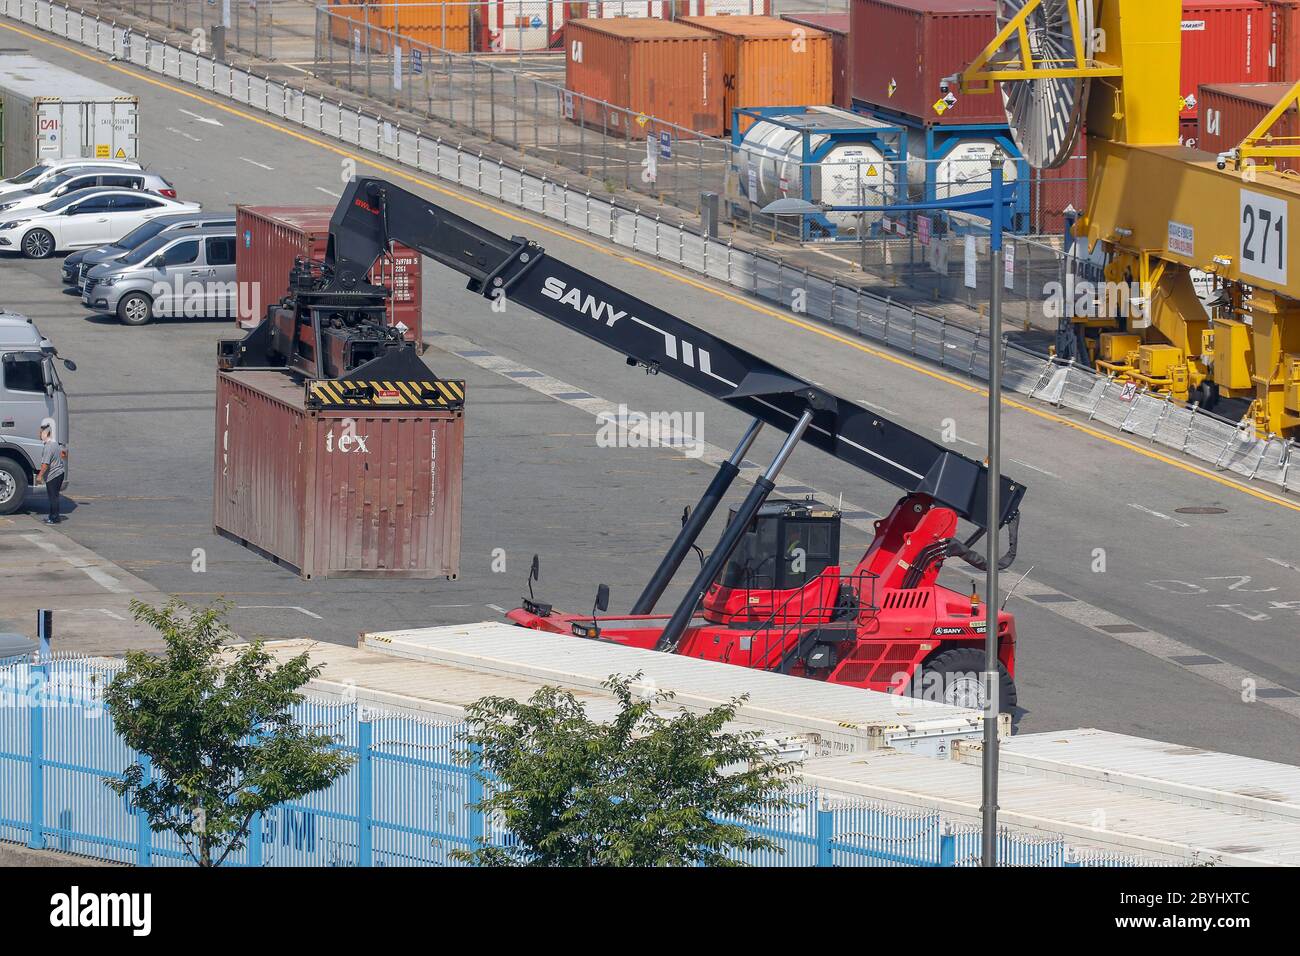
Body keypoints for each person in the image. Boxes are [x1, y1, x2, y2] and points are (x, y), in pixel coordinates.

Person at [34, 423, 66, 524]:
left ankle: (54, 518)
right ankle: (54, 516)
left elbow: (45, 464)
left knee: (53, 497)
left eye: (40, 433)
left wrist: (39, 476)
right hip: (60, 473)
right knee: (55, 496)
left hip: (54, 475)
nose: (39, 435)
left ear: (45, 433)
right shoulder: (55, 443)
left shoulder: (48, 447)